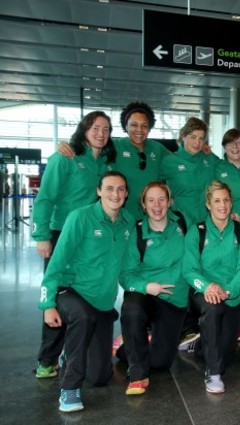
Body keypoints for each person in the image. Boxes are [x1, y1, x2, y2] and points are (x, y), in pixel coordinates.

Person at [38, 171, 134, 412]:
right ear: (99, 191)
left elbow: (128, 266)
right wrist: (47, 304)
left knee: (100, 376)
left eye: (121, 189)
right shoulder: (80, 218)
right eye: (110, 188)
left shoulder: (128, 222)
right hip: (70, 291)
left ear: (126, 194)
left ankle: (68, 355)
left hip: (101, 303)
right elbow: (56, 263)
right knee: (83, 317)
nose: (115, 193)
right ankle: (69, 389)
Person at [32, 111, 116, 379]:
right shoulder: (64, 157)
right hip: (61, 234)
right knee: (56, 292)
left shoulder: (104, 162)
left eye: (106, 129)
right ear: (84, 129)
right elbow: (45, 198)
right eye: (95, 127)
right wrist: (41, 235)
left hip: (91, 236)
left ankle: (74, 349)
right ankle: (47, 359)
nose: (100, 133)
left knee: (80, 294)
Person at [118, 181, 188, 396]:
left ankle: (128, 346)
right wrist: (146, 286)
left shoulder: (183, 223)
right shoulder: (137, 232)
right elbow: (124, 275)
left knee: (160, 363)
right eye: (151, 200)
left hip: (175, 300)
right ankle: (137, 374)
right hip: (146, 296)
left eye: (161, 199)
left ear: (169, 202)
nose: (156, 205)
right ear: (143, 204)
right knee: (131, 309)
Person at [183, 181, 240, 393]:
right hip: (204, 295)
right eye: (216, 201)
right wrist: (207, 287)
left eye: (226, 200)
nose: (222, 205)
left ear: (231, 203)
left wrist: (229, 290)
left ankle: (201, 346)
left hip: (233, 295)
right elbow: (189, 270)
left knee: (225, 356)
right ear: (208, 204)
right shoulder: (197, 231)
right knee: (213, 310)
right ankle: (213, 374)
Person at [160, 117, 219, 225]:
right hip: (181, 223)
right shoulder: (169, 162)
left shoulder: (209, 159)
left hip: (208, 223)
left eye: (201, 139)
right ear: (183, 136)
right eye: (193, 137)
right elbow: (156, 187)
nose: (197, 142)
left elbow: (229, 167)